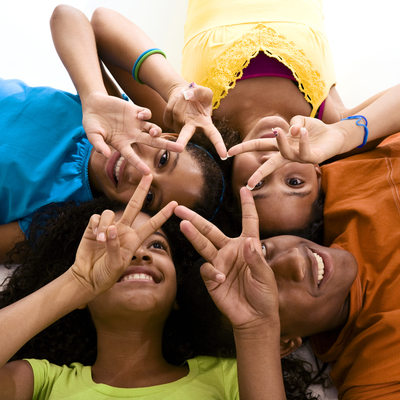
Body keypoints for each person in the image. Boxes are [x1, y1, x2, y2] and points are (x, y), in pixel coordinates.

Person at [0, 175, 287, 400]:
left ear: (178, 293)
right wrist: (76, 282)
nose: (137, 254)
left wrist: (257, 325)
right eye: (112, 246)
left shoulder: (230, 379)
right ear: (82, 300)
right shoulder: (37, 383)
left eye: (157, 245)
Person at [175, 132, 400, 398]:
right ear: (284, 344)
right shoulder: (375, 365)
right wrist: (254, 331)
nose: (294, 260)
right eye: (272, 294)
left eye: (263, 251)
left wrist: (345, 131)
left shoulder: (340, 191)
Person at [0, 5, 229, 262]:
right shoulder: (113, 111)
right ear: (167, 137)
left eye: (149, 197)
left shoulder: (57, 221)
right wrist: (171, 86)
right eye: (163, 160)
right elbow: (73, 16)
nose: (139, 172)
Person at [178, 0, 400, 236]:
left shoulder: (198, 119)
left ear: (231, 183)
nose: (272, 162)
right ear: (317, 171)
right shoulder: (329, 121)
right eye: (294, 182)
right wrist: (345, 134)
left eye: (258, 183)